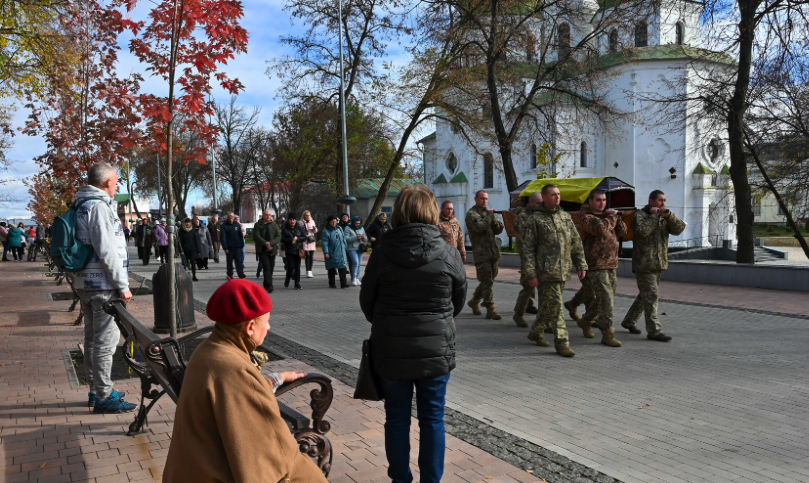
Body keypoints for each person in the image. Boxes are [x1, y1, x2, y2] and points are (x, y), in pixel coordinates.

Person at [161, 278, 328, 483]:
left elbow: (236, 394)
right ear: (250, 327)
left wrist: (275, 379)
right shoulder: (233, 367)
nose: (268, 327)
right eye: (266, 321)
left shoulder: (210, 350)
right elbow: (273, 456)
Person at [359, 184, 467, 483]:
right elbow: (457, 301)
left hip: (391, 350)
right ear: (432, 211)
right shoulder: (447, 253)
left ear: (399, 212)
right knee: (432, 419)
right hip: (435, 351)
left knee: (396, 419)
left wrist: (387, 323)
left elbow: (367, 302)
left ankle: (400, 480)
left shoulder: (382, 253)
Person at [72, 163, 136, 413]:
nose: (117, 185)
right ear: (107, 182)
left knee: (92, 339)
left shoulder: (82, 204)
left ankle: (96, 389)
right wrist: (123, 285)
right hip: (102, 285)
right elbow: (106, 249)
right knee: (106, 343)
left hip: (86, 284)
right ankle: (104, 395)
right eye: (116, 181)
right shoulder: (98, 207)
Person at [523, 184, 588, 357]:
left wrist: (581, 264)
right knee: (557, 307)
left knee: (548, 305)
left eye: (558, 194)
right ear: (544, 198)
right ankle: (562, 343)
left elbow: (576, 242)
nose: (557, 197)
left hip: (563, 269)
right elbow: (527, 249)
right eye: (553, 195)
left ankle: (536, 332)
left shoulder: (565, 217)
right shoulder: (535, 219)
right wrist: (530, 273)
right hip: (545, 271)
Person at [621, 190, 686, 341]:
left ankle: (628, 321)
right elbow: (642, 231)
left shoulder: (665, 217)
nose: (663, 203)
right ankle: (654, 331)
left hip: (658, 263)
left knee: (645, 295)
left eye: (664, 200)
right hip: (644, 263)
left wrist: (669, 216)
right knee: (651, 295)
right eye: (660, 200)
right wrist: (654, 216)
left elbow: (679, 229)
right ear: (651, 201)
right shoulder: (640, 216)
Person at [569, 190, 627, 347]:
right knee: (606, 298)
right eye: (598, 200)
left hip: (611, 263)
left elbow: (622, 232)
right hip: (595, 265)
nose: (602, 203)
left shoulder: (606, 217)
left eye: (603, 200)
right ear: (591, 201)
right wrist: (612, 217)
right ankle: (607, 333)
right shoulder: (586, 217)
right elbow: (600, 229)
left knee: (605, 299)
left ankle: (586, 320)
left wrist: (618, 218)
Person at [465, 190, 505, 320]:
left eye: (486, 199)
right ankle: (490, 309)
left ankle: (474, 301)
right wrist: (489, 217)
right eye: (482, 198)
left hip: (493, 253)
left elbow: (498, 230)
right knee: (487, 282)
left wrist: (493, 219)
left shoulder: (488, 213)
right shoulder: (471, 214)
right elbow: (480, 227)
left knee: (488, 282)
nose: (484, 201)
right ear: (476, 199)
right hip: (481, 254)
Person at [512, 193, 542, 328]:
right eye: (538, 203)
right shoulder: (523, 218)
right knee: (528, 287)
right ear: (531, 203)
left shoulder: (541, 215)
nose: (541, 205)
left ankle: (542, 317)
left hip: (542, 258)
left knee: (543, 288)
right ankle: (518, 313)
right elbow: (525, 240)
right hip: (528, 258)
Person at [253, 209, 281, 293]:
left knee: (271, 267)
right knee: (266, 266)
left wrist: (271, 243)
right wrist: (265, 243)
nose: (268, 216)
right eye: (266, 215)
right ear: (263, 215)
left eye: (270, 215)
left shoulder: (274, 225)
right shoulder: (258, 225)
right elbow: (256, 236)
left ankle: (266, 283)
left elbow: (278, 236)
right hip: (262, 250)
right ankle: (269, 285)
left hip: (272, 250)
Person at [321, 215, 349, 288]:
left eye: (335, 221)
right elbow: (324, 243)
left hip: (341, 251)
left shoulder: (339, 228)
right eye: (332, 222)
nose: (334, 223)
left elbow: (343, 239)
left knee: (342, 268)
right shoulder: (326, 231)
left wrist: (345, 247)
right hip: (331, 252)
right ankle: (332, 283)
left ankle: (343, 283)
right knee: (331, 268)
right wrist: (326, 252)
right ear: (329, 222)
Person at [281, 213, 306, 290]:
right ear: (288, 220)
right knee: (291, 267)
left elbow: (304, 237)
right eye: (291, 220)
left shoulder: (299, 227)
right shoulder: (285, 228)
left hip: (298, 250)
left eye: (294, 220)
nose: (292, 221)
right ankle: (287, 279)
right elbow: (282, 239)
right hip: (289, 250)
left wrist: (298, 239)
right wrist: (290, 240)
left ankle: (297, 283)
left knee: (297, 267)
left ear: (295, 220)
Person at [221, 212, 246, 279]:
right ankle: (230, 274)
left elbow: (240, 236)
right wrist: (225, 248)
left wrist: (242, 245)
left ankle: (240, 273)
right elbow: (223, 238)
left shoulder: (237, 225)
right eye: (229, 216)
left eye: (231, 216)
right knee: (229, 263)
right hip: (229, 248)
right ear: (227, 217)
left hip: (237, 247)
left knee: (239, 261)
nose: (230, 217)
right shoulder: (224, 226)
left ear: (234, 217)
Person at [344, 215, 367, 286]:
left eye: (359, 223)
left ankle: (357, 278)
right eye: (356, 223)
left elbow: (366, 238)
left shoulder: (361, 228)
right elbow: (346, 239)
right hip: (351, 248)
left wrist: (363, 237)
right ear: (353, 222)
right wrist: (356, 237)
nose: (357, 225)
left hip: (360, 248)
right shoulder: (348, 228)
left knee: (359, 263)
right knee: (355, 262)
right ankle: (353, 278)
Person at [300, 210, 318, 278]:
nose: (307, 217)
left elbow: (315, 231)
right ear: (304, 216)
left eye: (309, 215)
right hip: (304, 241)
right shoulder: (300, 222)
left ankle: (310, 270)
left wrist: (314, 229)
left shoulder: (312, 221)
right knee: (307, 255)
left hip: (311, 241)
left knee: (311, 256)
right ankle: (307, 270)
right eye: (306, 215)